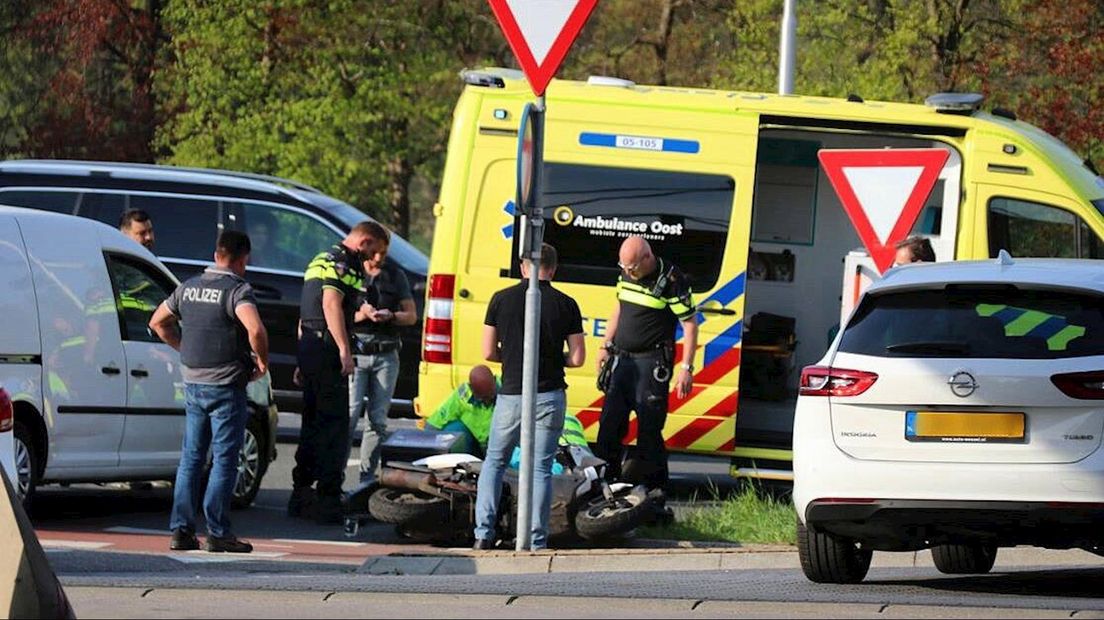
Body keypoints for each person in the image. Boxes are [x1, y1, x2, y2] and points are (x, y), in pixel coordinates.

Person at [149, 230, 269, 553]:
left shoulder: (188, 288)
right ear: (243, 259)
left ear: (216, 254)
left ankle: (181, 530)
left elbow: (158, 321)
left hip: (193, 382)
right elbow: (255, 328)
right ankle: (217, 532)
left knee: (191, 457)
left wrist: (182, 345)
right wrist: (262, 361)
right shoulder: (237, 289)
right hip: (226, 384)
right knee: (225, 459)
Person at [473, 243, 586, 551]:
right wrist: (549, 358)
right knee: (540, 469)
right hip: (549, 396)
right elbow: (577, 358)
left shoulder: (500, 300)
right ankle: (537, 540)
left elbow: (486, 351)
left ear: (524, 266)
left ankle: (483, 532)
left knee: (494, 462)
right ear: (554, 268)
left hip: (511, 395)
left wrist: (514, 357)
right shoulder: (567, 304)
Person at [288, 220, 389, 524]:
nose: (375, 258)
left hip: (309, 346)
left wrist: (301, 356)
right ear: (365, 241)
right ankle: (329, 498)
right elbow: (331, 305)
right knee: (334, 425)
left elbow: (308, 310)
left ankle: (301, 492)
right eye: (376, 250)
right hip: (327, 350)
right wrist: (345, 350)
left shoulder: (319, 259)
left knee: (311, 423)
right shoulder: (347, 263)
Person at [594, 235, 698, 494]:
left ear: (647, 258)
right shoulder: (627, 273)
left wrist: (686, 368)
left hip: (651, 363)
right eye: (624, 268)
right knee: (609, 425)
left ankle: (654, 492)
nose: (628, 272)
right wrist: (605, 345)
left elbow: (690, 325)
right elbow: (619, 308)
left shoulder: (672, 281)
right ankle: (606, 488)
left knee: (649, 431)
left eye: (632, 268)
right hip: (622, 359)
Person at [347, 240, 418, 483]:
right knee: (349, 415)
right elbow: (337, 312)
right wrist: (362, 314)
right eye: (374, 252)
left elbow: (411, 316)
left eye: (384, 253)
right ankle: (334, 479)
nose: (378, 258)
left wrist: (392, 316)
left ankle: (366, 479)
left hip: (386, 354)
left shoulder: (395, 275)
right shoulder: (352, 271)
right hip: (357, 352)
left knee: (377, 421)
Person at [424, 364, 499, 453]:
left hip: (499, 443)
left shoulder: (507, 390)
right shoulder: (463, 396)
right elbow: (436, 422)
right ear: (472, 389)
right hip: (474, 444)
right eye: (483, 397)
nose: (487, 400)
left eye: (490, 395)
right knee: (454, 429)